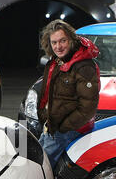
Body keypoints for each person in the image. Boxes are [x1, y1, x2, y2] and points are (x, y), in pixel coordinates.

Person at [37, 19, 100, 169]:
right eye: (54, 43)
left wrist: (64, 127)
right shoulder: (57, 61)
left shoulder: (83, 66)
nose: (58, 46)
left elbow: (88, 107)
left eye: (62, 41)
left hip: (65, 130)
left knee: (41, 169)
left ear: (71, 39)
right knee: (35, 160)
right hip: (53, 126)